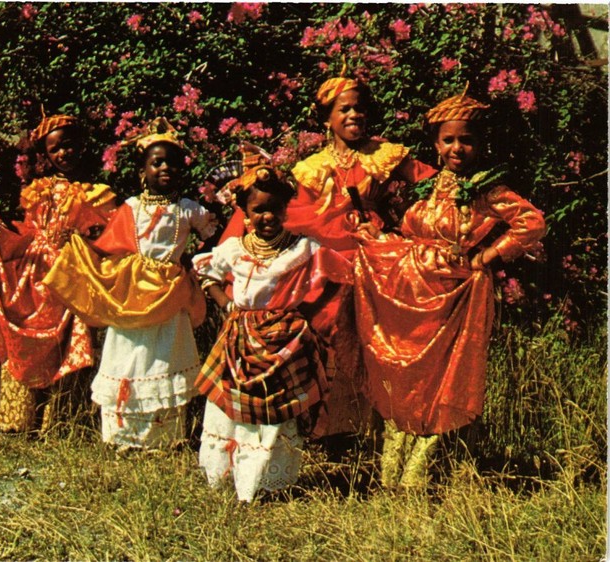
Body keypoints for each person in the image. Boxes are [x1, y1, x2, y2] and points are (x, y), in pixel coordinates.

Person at [353, 89, 546, 490]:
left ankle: (422, 474)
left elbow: (532, 222)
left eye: (467, 139)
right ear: (436, 143)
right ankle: (392, 471)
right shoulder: (427, 185)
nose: (457, 148)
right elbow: (409, 234)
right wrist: (377, 237)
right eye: (449, 139)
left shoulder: (487, 188)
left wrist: (489, 256)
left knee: (443, 379)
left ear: (480, 143)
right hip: (411, 293)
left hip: (455, 296)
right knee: (408, 374)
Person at [280, 59, 440, 440]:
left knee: (378, 338)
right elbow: (293, 216)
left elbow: (433, 184)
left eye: (359, 108)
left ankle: (377, 428)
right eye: (344, 109)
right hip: (326, 261)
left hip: (375, 256)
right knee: (330, 338)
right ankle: (330, 430)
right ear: (327, 118)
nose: (354, 115)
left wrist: (414, 226)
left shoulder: (382, 154)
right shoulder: (311, 168)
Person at [43, 118, 218, 450]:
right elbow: (111, 246)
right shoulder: (132, 207)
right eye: (157, 162)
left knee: (165, 355)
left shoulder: (188, 210)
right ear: (142, 170)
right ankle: (123, 433)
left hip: (170, 295)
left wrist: (199, 267)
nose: (165, 168)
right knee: (130, 354)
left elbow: (214, 239)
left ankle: (163, 435)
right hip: (134, 292)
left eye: (172, 163)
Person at [192, 150, 350, 502]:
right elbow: (209, 276)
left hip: (284, 342)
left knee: (275, 411)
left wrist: (305, 314)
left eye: (274, 209)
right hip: (238, 336)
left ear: (285, 209)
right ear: (245, 212)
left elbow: (338, 275)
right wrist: (227, 304)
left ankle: (264, 481)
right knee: (230, 407)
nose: (266, 217)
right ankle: (226, 478)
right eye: (257, 210)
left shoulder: (302, 250)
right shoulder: (233, 248)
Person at [0, 114, 116, 434]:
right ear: (46, 154)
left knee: (68, 343)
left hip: (73, 275)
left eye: (69, 146)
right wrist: (3, 237)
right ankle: (20, 418)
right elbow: (30, 230)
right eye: (56, 149)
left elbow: (102, 237)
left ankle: (60, 420)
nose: (64, 154)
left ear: (81, 147)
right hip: (36, 274)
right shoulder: (37, 189)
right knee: (26, 340)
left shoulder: (95, 192)